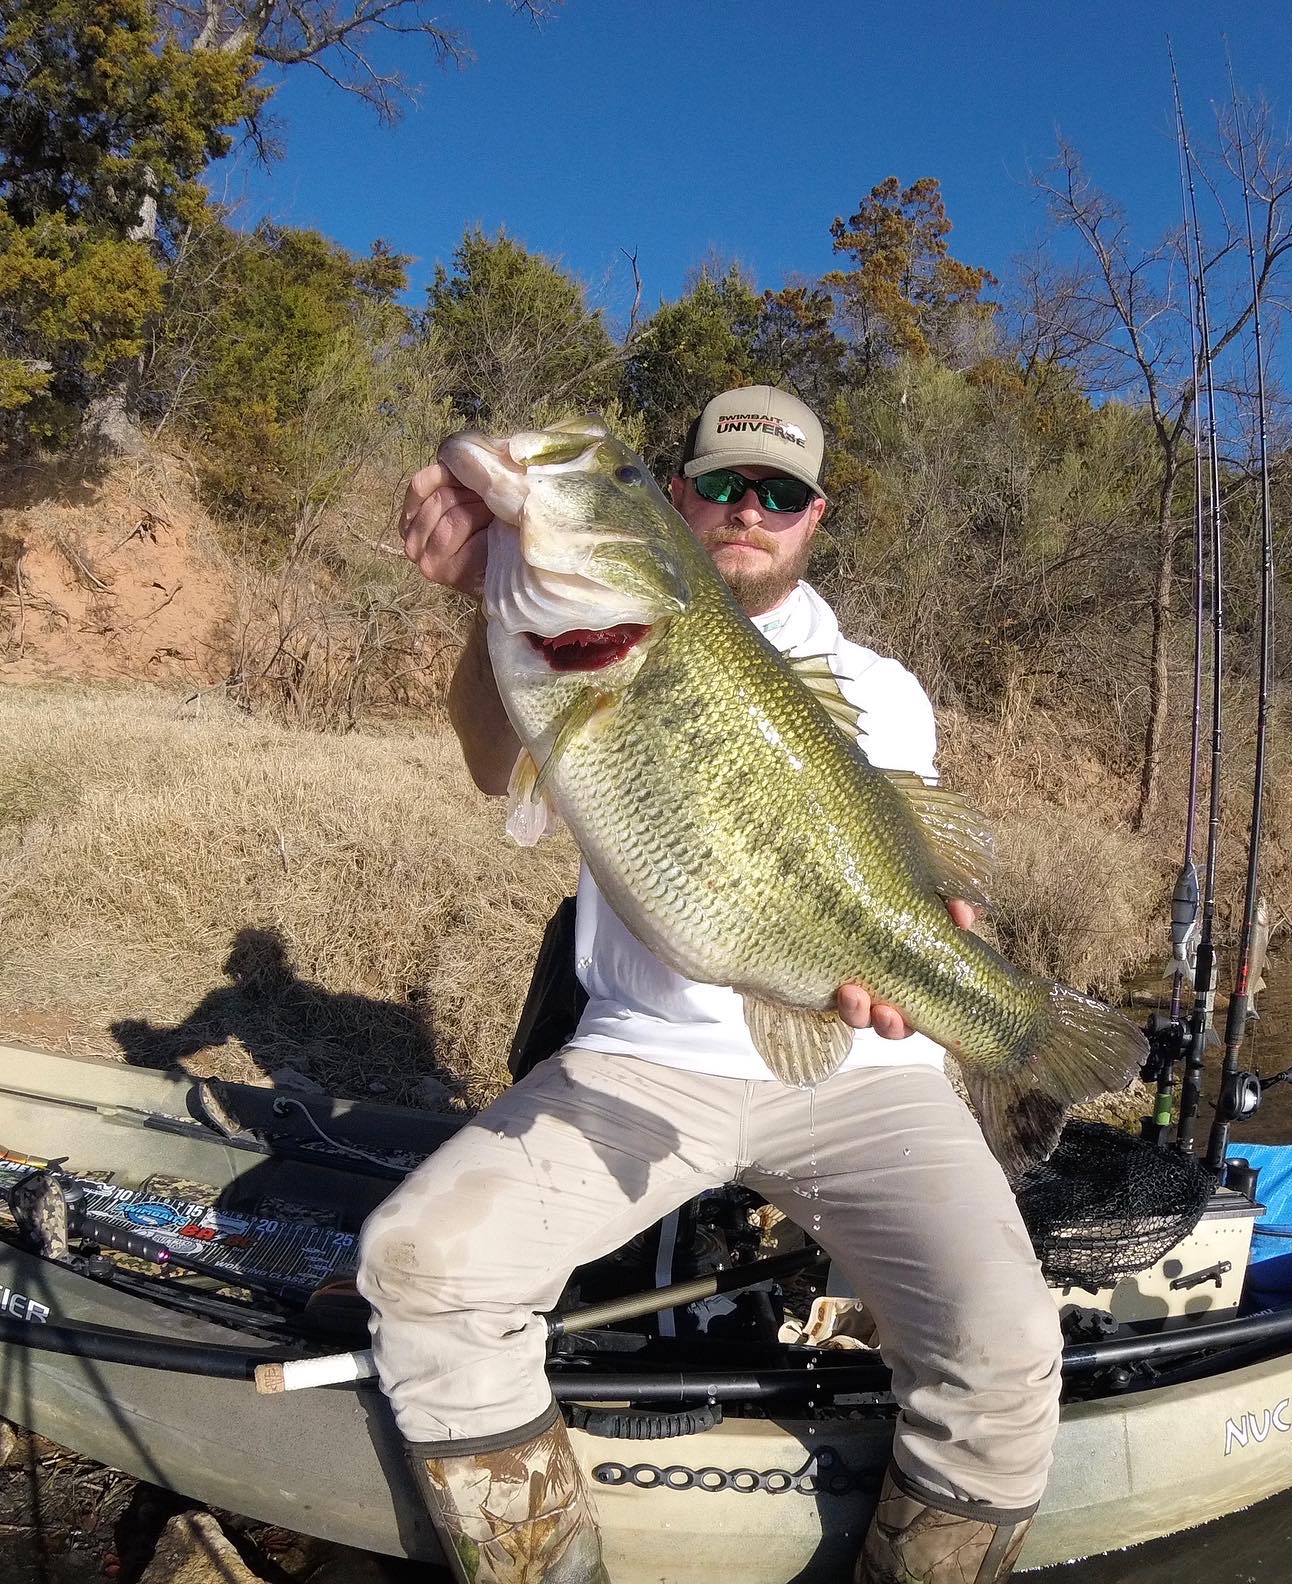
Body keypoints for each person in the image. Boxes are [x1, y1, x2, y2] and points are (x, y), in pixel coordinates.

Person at [357, 386, 1062, 1584]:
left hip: (864, 1075)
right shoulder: (571, 627)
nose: (747, 509)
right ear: (679, 500)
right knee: (418, 1264)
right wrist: (485, 596)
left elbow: (913, 880)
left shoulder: (878, 686)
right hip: (639, 1059)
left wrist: (949, 949)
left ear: (814, 518)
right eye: (722, 484)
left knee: (1005, 1346)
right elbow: (492, 762)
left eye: (779, 494)